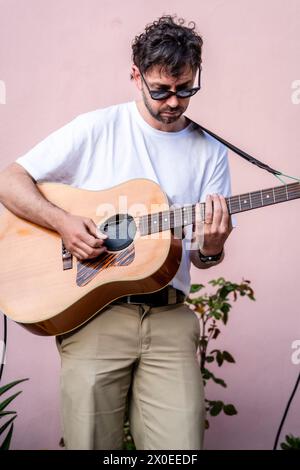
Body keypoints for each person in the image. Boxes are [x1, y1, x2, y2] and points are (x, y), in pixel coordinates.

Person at [0, 15, 233, 450]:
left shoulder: (211, 151)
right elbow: (9, 181)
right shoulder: (96, 128)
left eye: (186, 90)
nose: (173, 102)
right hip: (92, 315)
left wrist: (213, 249)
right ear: (135, 76)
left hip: (170, 317)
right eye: (161, 90)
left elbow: (201, 256)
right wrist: (64, 223)